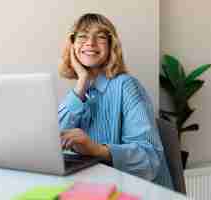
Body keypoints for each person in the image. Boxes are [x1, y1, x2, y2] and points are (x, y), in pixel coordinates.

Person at [58, 13, 173, 189]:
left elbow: (150, 160)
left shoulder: (127, 87)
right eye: (82, 36)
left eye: (101, 37)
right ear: (72, 46)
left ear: (111, 46)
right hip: (93, 187)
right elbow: (55, 142)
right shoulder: (79, 91)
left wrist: (96, 149)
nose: (90, 42)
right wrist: (82, 80)